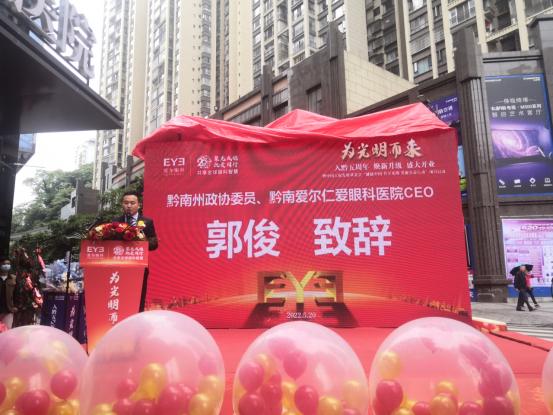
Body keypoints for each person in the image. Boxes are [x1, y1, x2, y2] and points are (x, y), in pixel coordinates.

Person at [112, 190, 158, 312]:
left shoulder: (147, 222)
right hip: (119, 268)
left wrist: (141, 240)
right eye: (126, 203)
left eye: (132, 203)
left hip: (139, 268)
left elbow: (154, 244)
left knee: (138, 301)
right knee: (120, 300)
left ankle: (137, 322)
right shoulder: (115, 222)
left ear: (138, 205)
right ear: (122, 204)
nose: (129, 206)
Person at [0, 256, 20, 328]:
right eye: (4, 264)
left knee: (6, 331)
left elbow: (17, 293)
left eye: (8, 264)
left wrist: (16, 306)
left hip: (8, 310)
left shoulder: (13, 278)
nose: (6, 265)